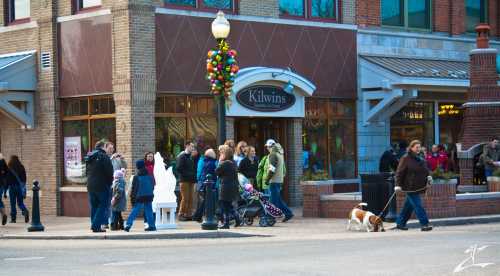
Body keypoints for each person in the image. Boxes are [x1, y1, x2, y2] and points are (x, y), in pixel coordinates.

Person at [394, 140, 433, 232]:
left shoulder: (420, 157)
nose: (418, 149)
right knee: (418, 205)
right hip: (410, 187)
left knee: (409, 206)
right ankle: (424, 224)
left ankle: (400, 223)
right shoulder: (405, 158)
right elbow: (399, 172)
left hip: (418, 186)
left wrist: (429, 177)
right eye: (416, 147)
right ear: (411, 148)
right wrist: (397, 185)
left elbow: (425, 170)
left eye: (419, 147)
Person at [85, 140, 114, 233]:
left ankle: (94, 224)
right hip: (102, 186)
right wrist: (109, 183)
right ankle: (96, 226)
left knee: (94, 206)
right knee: (103, 206)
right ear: (104, 147)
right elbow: (110, 172)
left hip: (90, 185)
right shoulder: (104, 157)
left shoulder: (90, 157)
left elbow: (86, 172)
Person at [265, 139, 294, 222]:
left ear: (270, 146)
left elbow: (272, 169)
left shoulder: (273, 155)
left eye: (267, 147)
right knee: (277, 199)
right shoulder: (280, 154)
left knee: (273, 201)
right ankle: (288, 213)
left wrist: (267, 179)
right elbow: (282, 168)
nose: (267, 148)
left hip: (274, 181)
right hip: (279, 180)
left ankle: (271, 217)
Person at [124, 160, 156, 232]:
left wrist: (132, 198)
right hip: (149, 195)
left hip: (140, 196)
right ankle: (152, 226)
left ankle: (128, 225)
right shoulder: (150, 176)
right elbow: (153, 186)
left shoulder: (136, 177)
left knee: (135, 210)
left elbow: (134, 189)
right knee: (149, 210)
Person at [215, 145, 241, 229]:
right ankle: (237, 218)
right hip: (232, 186)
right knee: (229, 204)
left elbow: (216, 172)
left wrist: (219, 161)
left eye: (221, 153)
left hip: (225, 187)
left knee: (225, 205)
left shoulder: (224, 163)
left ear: (225, 154)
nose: (220, 155)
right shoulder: (233, 162)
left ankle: (226, 223)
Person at [192, 148, 217, 223]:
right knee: (206, 201)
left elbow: (200, 173)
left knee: (202, 201)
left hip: (202, 183)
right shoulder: (213, 163)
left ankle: (197, 216)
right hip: (208, 184)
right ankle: (200, 216)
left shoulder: (203, 161)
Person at [176, 142, 197, 221]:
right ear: (187, 146)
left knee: (191, 198)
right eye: (191, 146)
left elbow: (193, 167)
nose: (193, 148)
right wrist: (189, 174)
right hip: (184, 180)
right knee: (185, 198)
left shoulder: (191, 157)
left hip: (191, 180)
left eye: (193, 147)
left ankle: (188, 214)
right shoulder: (182, 156)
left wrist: (193, 176)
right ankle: (181, 214)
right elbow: (179, 168)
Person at [7, 155, 29, 223]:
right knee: (20, 203)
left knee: (12, 203)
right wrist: (23, 186)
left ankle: (13, 219)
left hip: (12, 187)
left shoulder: (9, 167)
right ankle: (25, 211)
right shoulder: (21, 166)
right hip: (20, 187)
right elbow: (25, 178)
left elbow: (7, 178)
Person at [0, 154, 9, 225]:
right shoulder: (3, 161)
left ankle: (3, 214)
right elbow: (7, 172)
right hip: (2, 184)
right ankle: (4, 214)